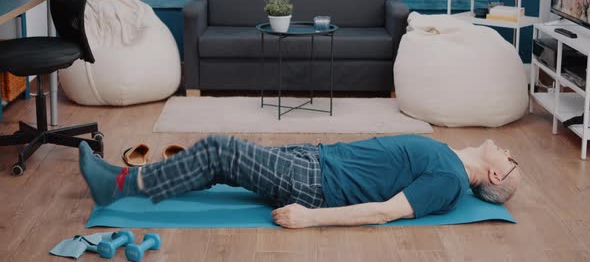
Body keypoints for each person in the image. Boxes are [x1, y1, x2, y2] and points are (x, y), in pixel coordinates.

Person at [79, 134, 520, 229]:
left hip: (313, 183)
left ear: (495, 174)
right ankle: (131, 179)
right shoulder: (447, 159)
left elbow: (387, 212)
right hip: (313, 158)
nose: (504, 146)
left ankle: (115, 186)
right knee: (218, 165)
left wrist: (311, 219)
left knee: (217, 150)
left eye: (510, 158)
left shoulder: (447, 181)